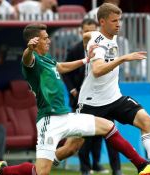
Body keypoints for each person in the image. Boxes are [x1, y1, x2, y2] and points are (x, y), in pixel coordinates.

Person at [0, 23, 150, 175]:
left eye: (47, 37)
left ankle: (143, 166)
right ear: (35, 41)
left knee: (108, 126)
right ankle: (4, 171)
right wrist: (28, 49)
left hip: (65, 116)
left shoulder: (48, 60)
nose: (49, 40)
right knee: (41, 172)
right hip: (48, 122)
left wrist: (85, 60)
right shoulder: (32, 61)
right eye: (45, 38)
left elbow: (61, 66)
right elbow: (26, 59)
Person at [78, 3, 150, 164]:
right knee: (73, 147)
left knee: (147, 121)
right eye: (114, 21)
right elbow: (97, 70)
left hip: (114, 98)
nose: (118, 24)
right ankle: (42, 166)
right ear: (102, 22)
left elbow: (86, 35)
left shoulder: (109, 35)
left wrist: (86, 38)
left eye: (119, 20)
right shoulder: (97, 43)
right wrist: (122, 59)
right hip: (92, 103)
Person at [63, 19, 113, 175]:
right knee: (83, 135)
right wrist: (72, 90)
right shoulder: (75, 50)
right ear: (81, 32)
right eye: (86, 31)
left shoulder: (104, 48)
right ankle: (85, 168)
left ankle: (96, 163)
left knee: (99, 134)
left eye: (92, 30)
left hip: (99, 98)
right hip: (79, 98)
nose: (89, 33)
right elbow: (66, 72)